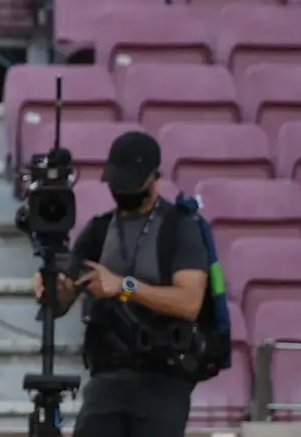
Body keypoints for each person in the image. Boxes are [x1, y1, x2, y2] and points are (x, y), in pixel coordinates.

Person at [32, 131, 209, 437]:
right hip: (108, 374)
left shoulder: (179, 228)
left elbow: (189, 302)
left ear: (154, 178)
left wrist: (125, 287)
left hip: (162, 376)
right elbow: (63, 300)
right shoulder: (100, 231)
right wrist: (51, 289)